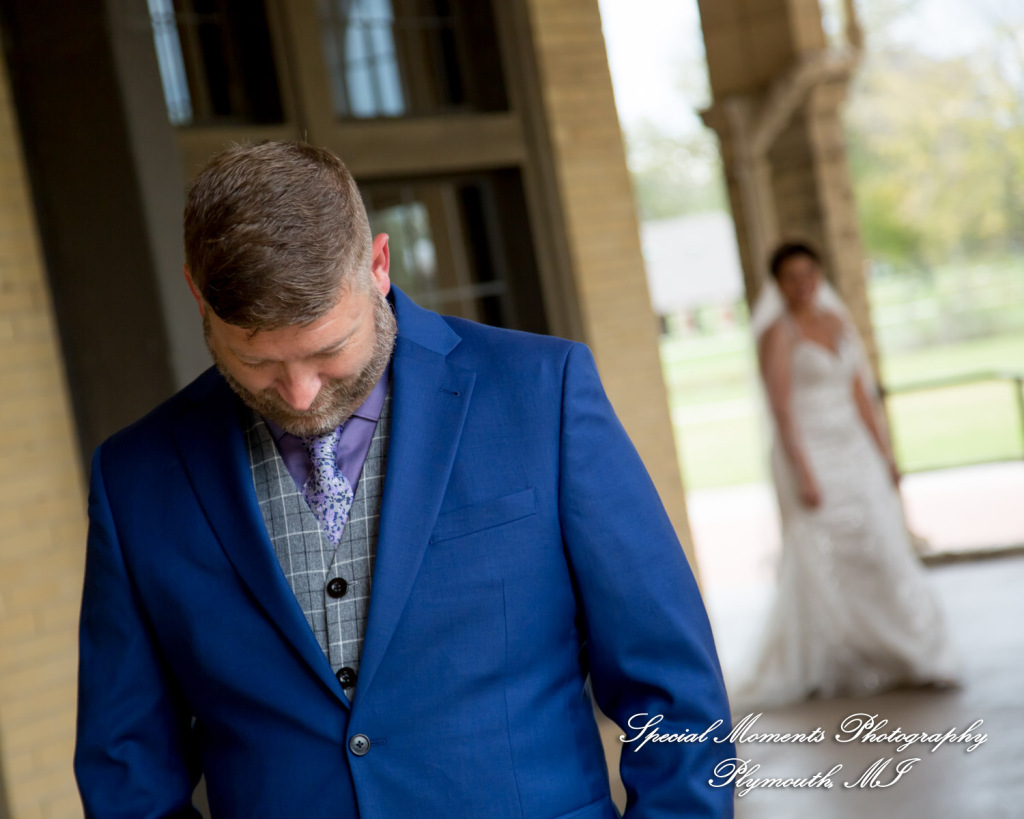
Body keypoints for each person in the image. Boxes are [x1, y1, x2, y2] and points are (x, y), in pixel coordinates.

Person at [74, 141, 735, 818]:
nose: (300, 395)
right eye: (257, 362)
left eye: (328, 350)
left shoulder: (542, 393)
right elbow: (127, 766)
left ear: (378, 265)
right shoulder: (135, 479)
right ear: (197, 294)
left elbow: (672, 688)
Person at [736, 241, 958, 708]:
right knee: (825, 556)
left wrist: (885, 453)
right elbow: (781, 410)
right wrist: (803, 473)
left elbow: (861, 393)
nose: (802, 284)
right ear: (778, 284)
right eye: (791, 276)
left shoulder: (837, 322)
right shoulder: (778, 333)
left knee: (883, 546)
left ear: (819, 275)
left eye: (809, 273)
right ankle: (835, 659)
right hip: (812, 455)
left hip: (856, 452)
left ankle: (909, 652)